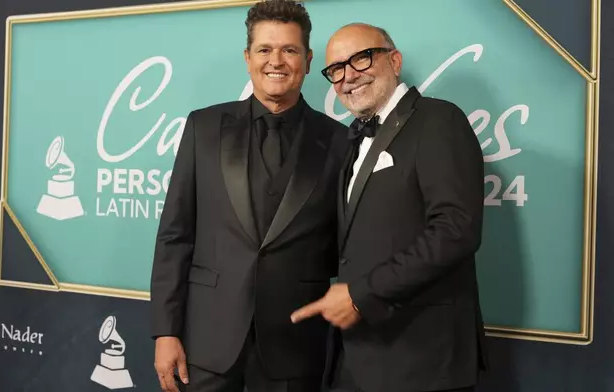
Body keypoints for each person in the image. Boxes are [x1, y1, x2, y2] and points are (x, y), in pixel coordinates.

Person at [149, 1, 349, 391]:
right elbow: (175, 236)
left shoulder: (341, 142)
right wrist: (165, 331)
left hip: (296, 348)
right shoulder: (203, 128)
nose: (277, 61)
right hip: (206, 344)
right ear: (247, 57)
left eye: (290, 50)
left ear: (308, 60)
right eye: (264, 49)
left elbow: (350, 242)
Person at [290, 23, 489, 392]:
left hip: (422, 360)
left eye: (361, 59)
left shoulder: (438, 120)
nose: (348, 76)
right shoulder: (351, 141)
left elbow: (455, 230)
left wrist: (361, 295)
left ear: (394, 60)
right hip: (356, 357)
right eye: (336, 69)